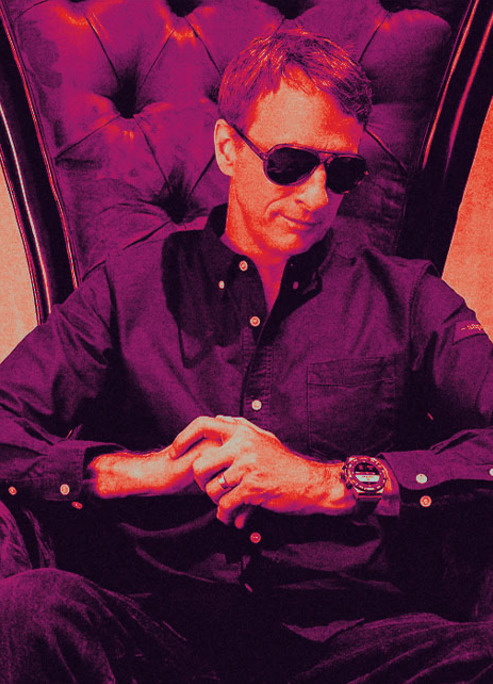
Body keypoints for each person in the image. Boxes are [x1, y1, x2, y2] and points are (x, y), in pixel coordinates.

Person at [0, 29, 492, 683]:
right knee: (30, 610)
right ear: (229, 148)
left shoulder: (406, 297)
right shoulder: (129, 286)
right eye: (289, 163)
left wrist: (332, 484)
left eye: (341, 171)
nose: (316, 197)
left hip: (347, 644)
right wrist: (139, 472)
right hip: (156, 638)